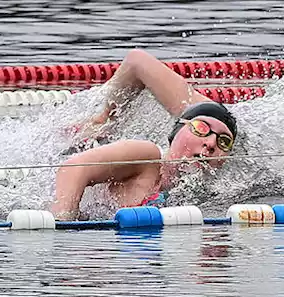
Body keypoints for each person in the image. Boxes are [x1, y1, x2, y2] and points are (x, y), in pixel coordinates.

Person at [50, 48, 239, 220]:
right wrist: (64, 223)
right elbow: (73, 168)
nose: (211, 143)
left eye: (224, 142)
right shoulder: (147, 158)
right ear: (178, 129)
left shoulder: (201, 189)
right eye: (201, 128)